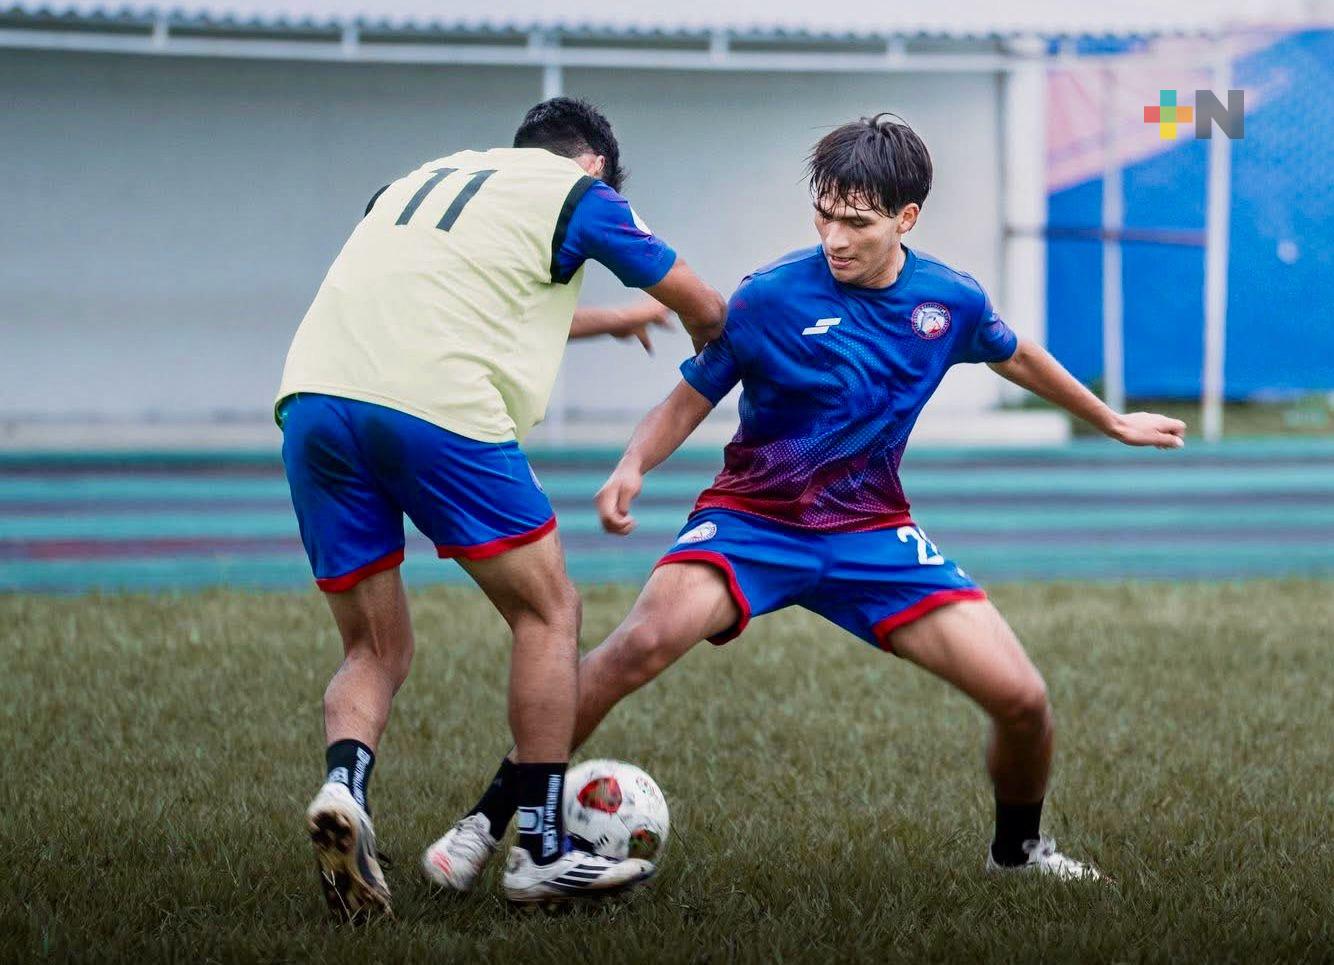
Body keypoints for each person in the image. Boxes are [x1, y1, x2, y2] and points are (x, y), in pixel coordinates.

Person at [428, 114, 1186, 888]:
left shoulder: (948, 301)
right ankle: (484, 823)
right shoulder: (769, 295)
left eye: (857, 222)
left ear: (906, 219)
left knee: (1023, 699)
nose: (835, 237)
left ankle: (1017, 854)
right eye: (824, 215)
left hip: (872, 534)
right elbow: (692, 394)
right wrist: (632, 465)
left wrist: (1109, 420)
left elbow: (1015, 352)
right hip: (753, 525)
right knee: (634, 648)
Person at [276, 97, 726, 919]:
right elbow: (702, 303)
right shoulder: (582, 195)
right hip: (434, 405)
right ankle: (543, 849)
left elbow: (472, 299)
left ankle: (345, 787)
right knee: (549, 611)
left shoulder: (425, 179)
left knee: (375, 648)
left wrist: (609, 321)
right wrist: (726, 361)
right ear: (593, 164)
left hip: (314, 397)